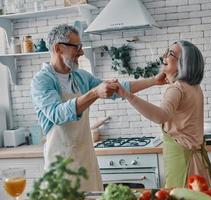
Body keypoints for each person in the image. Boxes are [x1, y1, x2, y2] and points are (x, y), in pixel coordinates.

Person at [30, 24, 167, 191]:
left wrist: (153, 81)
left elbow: (117, 89)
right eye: (77, 47)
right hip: (60, 167)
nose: (81, 52)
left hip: (86, 160)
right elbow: (57, 114)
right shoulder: (42, 80)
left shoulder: (81, 77)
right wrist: (94, 93)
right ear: (58, 48)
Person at [116, 40, 211, 188]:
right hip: (196, 161)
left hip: (184, 163)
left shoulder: (177, 89)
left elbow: (161, 116)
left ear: (183, 62)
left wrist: (128, 95)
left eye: (171, 54)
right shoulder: (194, 87)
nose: (164, 56)